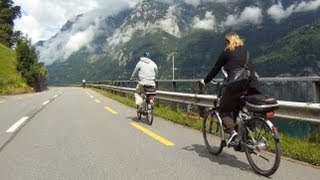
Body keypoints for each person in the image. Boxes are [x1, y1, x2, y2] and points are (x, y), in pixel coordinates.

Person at [200, 32, 258, 146]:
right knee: (241, 109)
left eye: (225, 42)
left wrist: (205, 81)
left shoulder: (226, 52)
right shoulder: (246, 52)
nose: (225, 44)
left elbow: (215, 69)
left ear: (228, 41)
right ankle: (247, 137)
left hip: (235, 85)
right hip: (250, 85)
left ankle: (232, 133)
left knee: (224, 110)